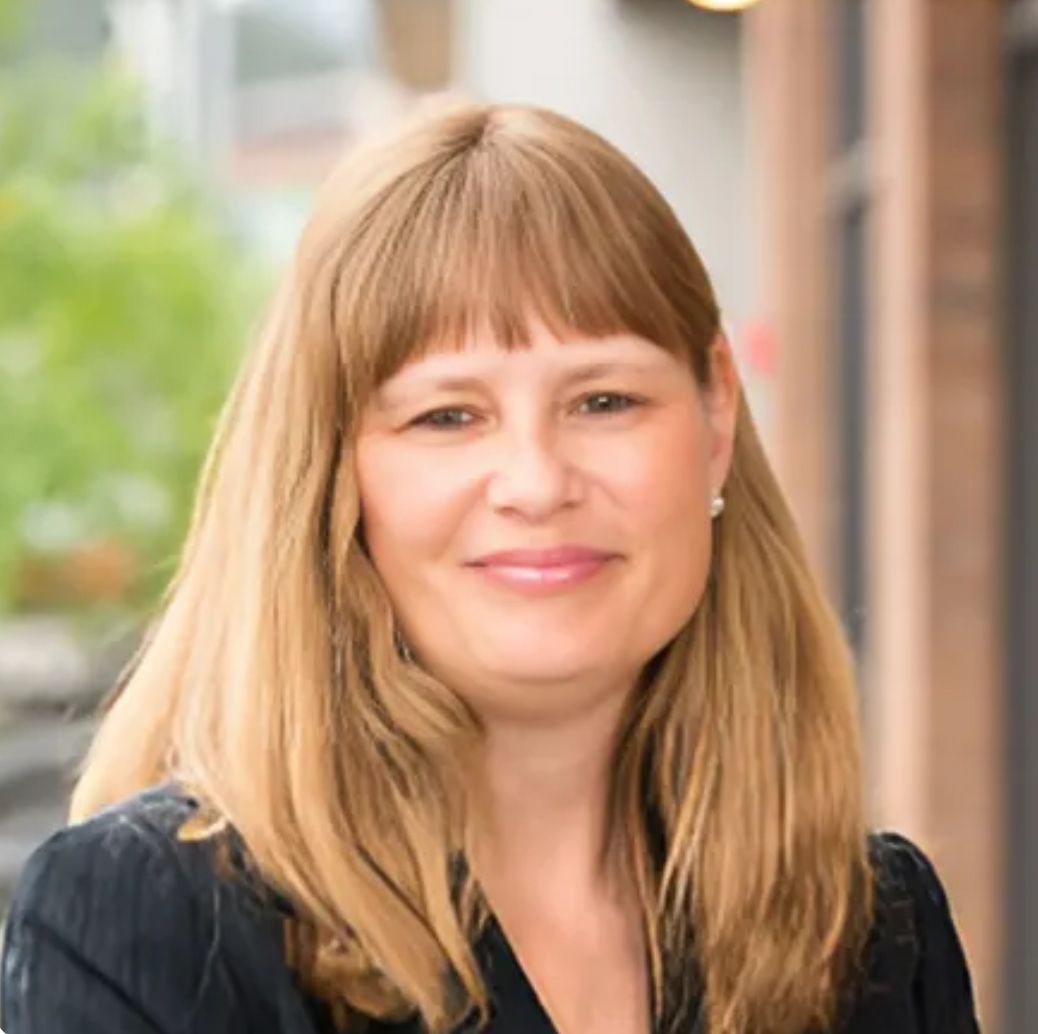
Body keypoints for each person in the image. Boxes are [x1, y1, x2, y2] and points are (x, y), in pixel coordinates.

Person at [0, 101, 981, 1034]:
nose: (536, 480)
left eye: (603, 400)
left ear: (716, 416)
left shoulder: (875, 932)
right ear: (334, 475)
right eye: (448, 415)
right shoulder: (151, 927)